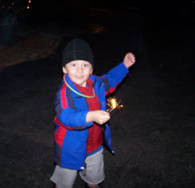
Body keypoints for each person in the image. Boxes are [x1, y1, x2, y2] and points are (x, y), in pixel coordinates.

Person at [50, 38, 136, 188]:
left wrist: (124, 66)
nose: (80, 70)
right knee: (64, 182)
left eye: (85, 65)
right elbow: (66, 116)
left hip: (94, 145)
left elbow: (110, 79)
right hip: (70, 147)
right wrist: (91, 116)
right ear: (64, 69)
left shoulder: (96, 83)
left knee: (94, 179)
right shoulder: (65, 92)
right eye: (74, 65)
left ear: (91, 69)